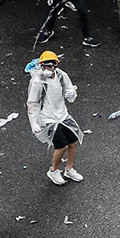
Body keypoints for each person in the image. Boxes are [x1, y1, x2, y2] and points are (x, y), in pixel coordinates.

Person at [25, 50, 83, 185]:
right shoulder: (38, 82)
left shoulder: (62, 76)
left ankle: (69, 169)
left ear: (56, 65)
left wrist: (71, 94)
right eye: (44, 66)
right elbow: (33, 103)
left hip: (63, 115)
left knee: (73, 142)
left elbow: (70, 92)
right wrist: (34, 122)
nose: (47, 69)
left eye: (50, 66)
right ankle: (53, 170)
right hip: (49, 119)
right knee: (61, 146)